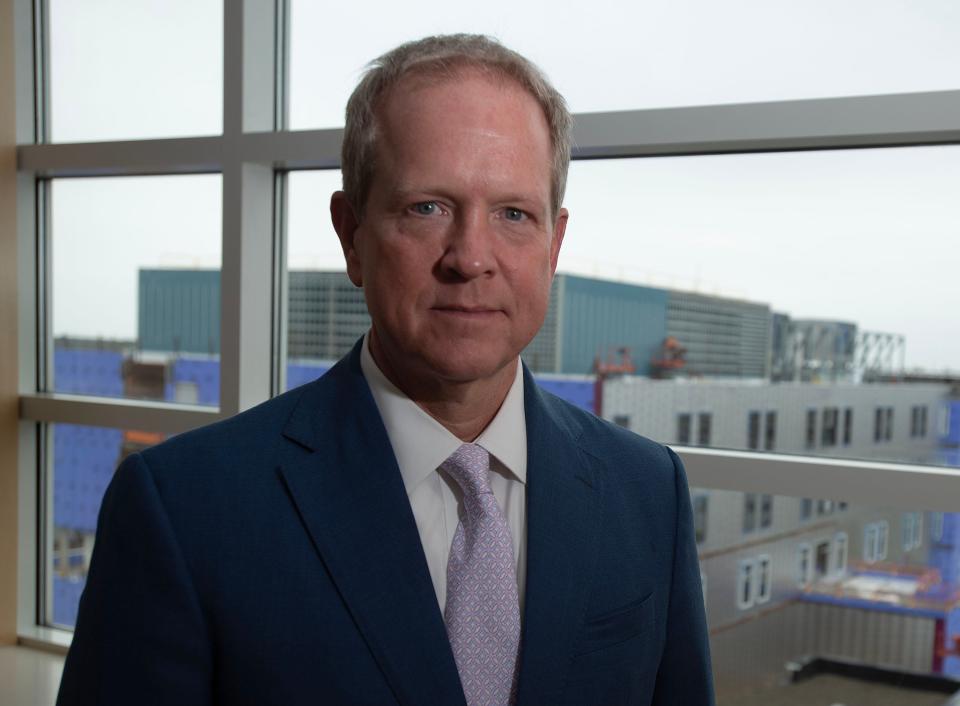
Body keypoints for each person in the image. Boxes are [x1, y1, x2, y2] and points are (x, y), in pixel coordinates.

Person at [57, 34, 713, 706]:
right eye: (427, 207)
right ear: (351, 235)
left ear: (554, 246)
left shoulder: (647, 491)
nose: (470, 257)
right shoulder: (185, 510)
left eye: (514, 214)